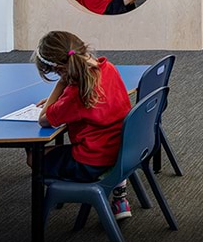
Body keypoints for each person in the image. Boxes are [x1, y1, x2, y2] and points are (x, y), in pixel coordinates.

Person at [30, 31, 133, 219]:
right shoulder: (108, 67)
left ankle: (68, 192)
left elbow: (43, 119)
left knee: (33, 157)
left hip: (92, 161)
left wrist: (60, 87)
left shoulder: (75, 95)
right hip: (122, 152)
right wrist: (62, 97)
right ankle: (119, 193)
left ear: (60, 70)